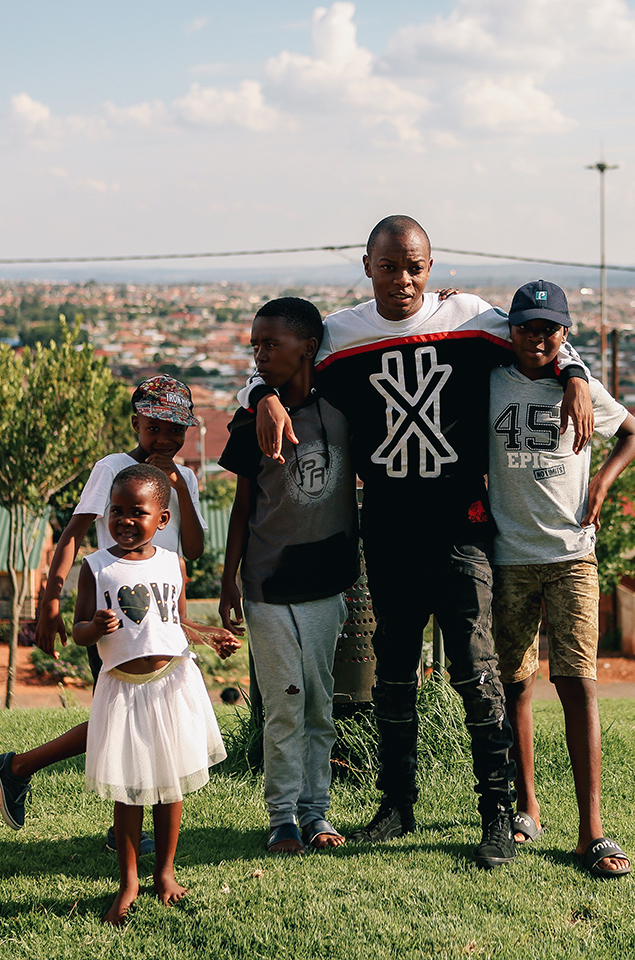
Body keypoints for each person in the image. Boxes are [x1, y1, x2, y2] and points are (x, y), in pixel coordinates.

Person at [239, 215, 594, 869]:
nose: (402, 279)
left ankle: (497, 813)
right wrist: (263, 394)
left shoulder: (470, 318)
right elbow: (276, 361)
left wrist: (573, 373)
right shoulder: (341, 334)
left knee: (476, 670)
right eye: (389, 266)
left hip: (460, 522)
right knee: (394, 669)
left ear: (430, 268)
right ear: (366, 266)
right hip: (388, 524)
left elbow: (538, 343)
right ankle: (397, 804)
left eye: (414, 266)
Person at [0, 376, 209, 854]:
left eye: (175, 431)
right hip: (115, 619)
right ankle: (30, 775)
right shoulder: (113, 468)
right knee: (122, 721)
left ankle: (18, 768)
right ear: (136, 423)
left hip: (161, 621)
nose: (164, 439)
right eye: (154, 428)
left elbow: (194, 550)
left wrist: (179, 487)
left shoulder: (186, 477)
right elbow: (74, 533)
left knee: (132, 722)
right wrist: (51, 602)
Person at [488, 280, 635, 879]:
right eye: (526, 327)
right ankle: (527, 807)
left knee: (577, 682)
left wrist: (602, 481)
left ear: (565, 332)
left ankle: (591, 830)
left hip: (572, 554)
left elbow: (634, 432)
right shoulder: (491, 379)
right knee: (515, 683)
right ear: (510, 329)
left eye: (548, 329)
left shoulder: (579, 385)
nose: (537, 338)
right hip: (508, 555)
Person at [219, 297, 359, 856]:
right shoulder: (249, 419)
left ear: (308, 347)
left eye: (271, 344)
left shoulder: (345, 409)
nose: (259, 354)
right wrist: (228, 580)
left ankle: (316, 812)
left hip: (327, 582)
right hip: (267, 585)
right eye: (255, 344)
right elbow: (241, 507)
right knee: (283, 705)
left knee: (319, 705)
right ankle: (283, 818)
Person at [73, 463, 238, 925]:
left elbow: (176, 622)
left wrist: (211, 635)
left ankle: (165, 873)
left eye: (137, 512)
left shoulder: (173, 563)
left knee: (171, 785)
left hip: (172, 685)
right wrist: (94, 627)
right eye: (116, 511)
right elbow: (79, 630)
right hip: (123, 691)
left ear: (162, 519)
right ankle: (128, 883)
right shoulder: (96, 567)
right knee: (129, 790)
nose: (124, 520)